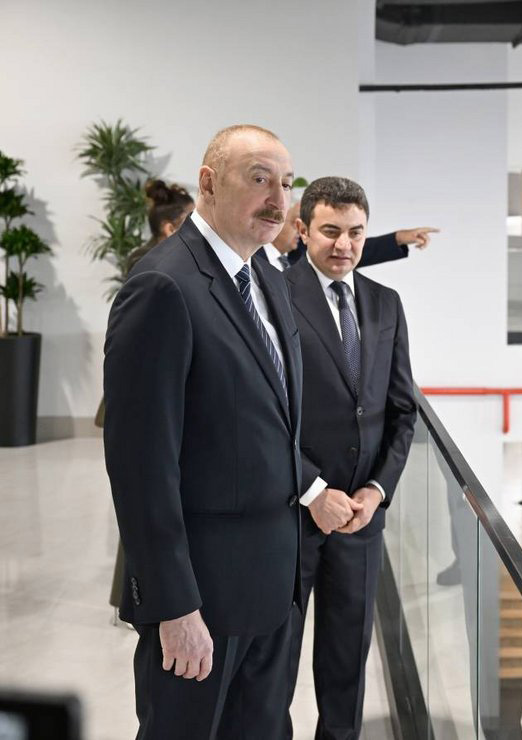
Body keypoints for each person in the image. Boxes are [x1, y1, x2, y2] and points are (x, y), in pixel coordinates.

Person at [103, 124, 304, 740]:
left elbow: (274, 422)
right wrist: (175, 607)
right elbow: (141, 468)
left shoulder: (268, 277)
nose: (277, 199)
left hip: (274, 589)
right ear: (208, 183)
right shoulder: (163, 286)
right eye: (260, 179)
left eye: (285, 183)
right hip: (202, 600)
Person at [283, 176, 416, 738]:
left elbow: (402, 410)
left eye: (356, 233)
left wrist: (376, 491)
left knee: (347, 667)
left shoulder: (386, 304)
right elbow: (264, 416)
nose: (344, 245)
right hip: (291, 512)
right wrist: (314, 490)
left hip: (360, 521)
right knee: (274, 665)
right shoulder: (274, 295)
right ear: (303, 230)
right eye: (331, 231)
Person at [105, 179, 196, 613]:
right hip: (148, 391)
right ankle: (139, 593)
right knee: (145, 501)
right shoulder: (154, 270)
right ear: (169, 228)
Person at [265, 199, 437, 271]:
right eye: (294, 224)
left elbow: (355, 252)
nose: (302, 231)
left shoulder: (301, 256)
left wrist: (398, 238)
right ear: (272, 223)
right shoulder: (254, 260)